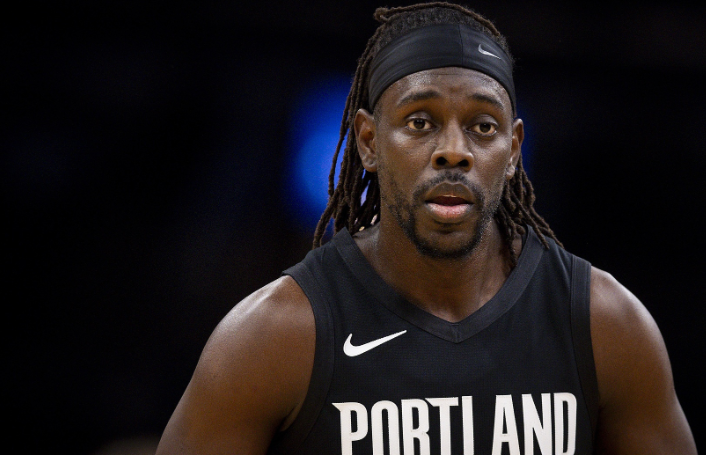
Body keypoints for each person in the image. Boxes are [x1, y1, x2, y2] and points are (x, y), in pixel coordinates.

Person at [155, 3, 697, 454]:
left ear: (513, 151)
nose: (454, 151)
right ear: (368, 142)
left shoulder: (603, 324)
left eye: (482, 126)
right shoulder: (275, 337)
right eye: (420, 122)